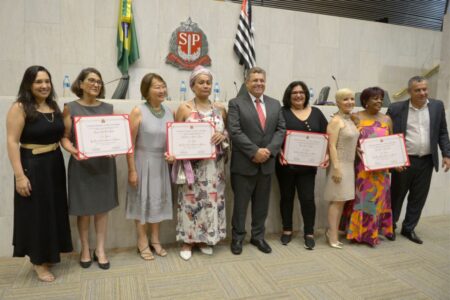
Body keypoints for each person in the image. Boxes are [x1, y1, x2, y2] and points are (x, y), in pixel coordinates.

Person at [6, 66, 73, 282]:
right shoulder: (20, 107)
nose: (44, 86)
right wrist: (19, 176)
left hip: (53, 165)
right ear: (28, 84)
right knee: (35, 215)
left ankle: (49, 254)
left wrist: (74, 150)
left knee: (52, 211)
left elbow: (62, 136)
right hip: (31, 166)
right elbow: (12, 141)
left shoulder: (53, 106)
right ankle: (37, 261)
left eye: (47, 81)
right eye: (38, 82)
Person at [61, 67, 118, 269]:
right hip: (81, 165)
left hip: (104, 165)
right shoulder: (70, 108)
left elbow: (114, 136)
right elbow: (64, 138)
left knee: (102, 210)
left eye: (99, 82)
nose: (96, 84)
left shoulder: (108, 108)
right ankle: (85, 248)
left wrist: (116, 147)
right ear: (81, 83)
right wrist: (74, 150)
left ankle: (100, 249)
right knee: (83, 210)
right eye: (91, 80)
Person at [228, 66, 286, 255]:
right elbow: (234, 131)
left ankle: (258, 237)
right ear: (247, 83)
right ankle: (237, 238)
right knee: (240, 205)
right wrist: (254, 151)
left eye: (261, 80)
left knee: (262, 205)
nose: (259, 83)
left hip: (267, 164)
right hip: (244, 164)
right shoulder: (236, 103)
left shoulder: (275, 104)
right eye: (255, 80)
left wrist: (269, 151)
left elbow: (280, 130)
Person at [387, 76, 450, 244]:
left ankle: (409, 228)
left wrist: (446, 154)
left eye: (425, 89)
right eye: (418, 90)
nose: (423, 93)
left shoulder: (437, 106)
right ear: (409, 92)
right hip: (404, 161)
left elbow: (443, 132)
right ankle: (390, 226)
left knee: (418, 197)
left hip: (427, 161)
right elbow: (388, 135)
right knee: (397, 196)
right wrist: (393, 160)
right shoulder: (396, 108)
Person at [174, 66, 228, 261]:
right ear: (193, 86)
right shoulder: (184, 108)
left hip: (214, 169)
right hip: (192, 168)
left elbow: (227, 134)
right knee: (190, 202)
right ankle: (187, 240)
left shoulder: (220, 109)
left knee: (210, 201)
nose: (205, 86)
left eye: (208, 82)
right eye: (201, 82)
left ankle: (205, 239)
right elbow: (174, 135)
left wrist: (222, 135)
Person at [126, 73, 174, 260]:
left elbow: (172, 140)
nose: (161, 90)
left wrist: (172, 155)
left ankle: (155, 240)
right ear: (146, 90)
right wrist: (131, 170)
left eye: (163, 86)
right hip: (141, 161)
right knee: (142, 202)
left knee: (158, 203)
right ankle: (142, 241)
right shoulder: (138, 111)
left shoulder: (170, 111)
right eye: (157, 87)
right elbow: (129, 144)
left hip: (161, 164)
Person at [275, 81, 328, 250]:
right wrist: (279, 152)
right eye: (294, 93)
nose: (298, 95)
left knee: (307, 199)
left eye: (302, 92)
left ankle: (309, 233)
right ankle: (287, 229)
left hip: (308, 167)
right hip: (285, 165)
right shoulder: (281, 112)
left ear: (306, 95)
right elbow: (274, 135)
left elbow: (327, 136)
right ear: (288, 96)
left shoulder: (317, 113)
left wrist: (325, 154)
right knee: (286, 197)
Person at [342, 87, 394, 246]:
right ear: (365, 101)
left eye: (381, 98)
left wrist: (396, 162)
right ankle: (358, 233)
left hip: (381, 171)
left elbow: (391, 142)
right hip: (362, 169)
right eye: (375, 98)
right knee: (362, 200)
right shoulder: (355, 117)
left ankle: (373, 233)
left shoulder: (387, 119)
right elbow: (346, 139)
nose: (379, 101)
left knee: (378, 201)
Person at [323, 88, 359, 249]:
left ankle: (332, 231)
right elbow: (331, 145)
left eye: (352, 98)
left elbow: (348, 141)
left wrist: (358, 150)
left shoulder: (350, 120)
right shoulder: (336, 121)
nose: (350, 102)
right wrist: (336, 168)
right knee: (337, 201)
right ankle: (332, 235)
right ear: (337, 102)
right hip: (340, 165)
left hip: (350, 164)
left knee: (342, 200)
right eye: (345, 99)